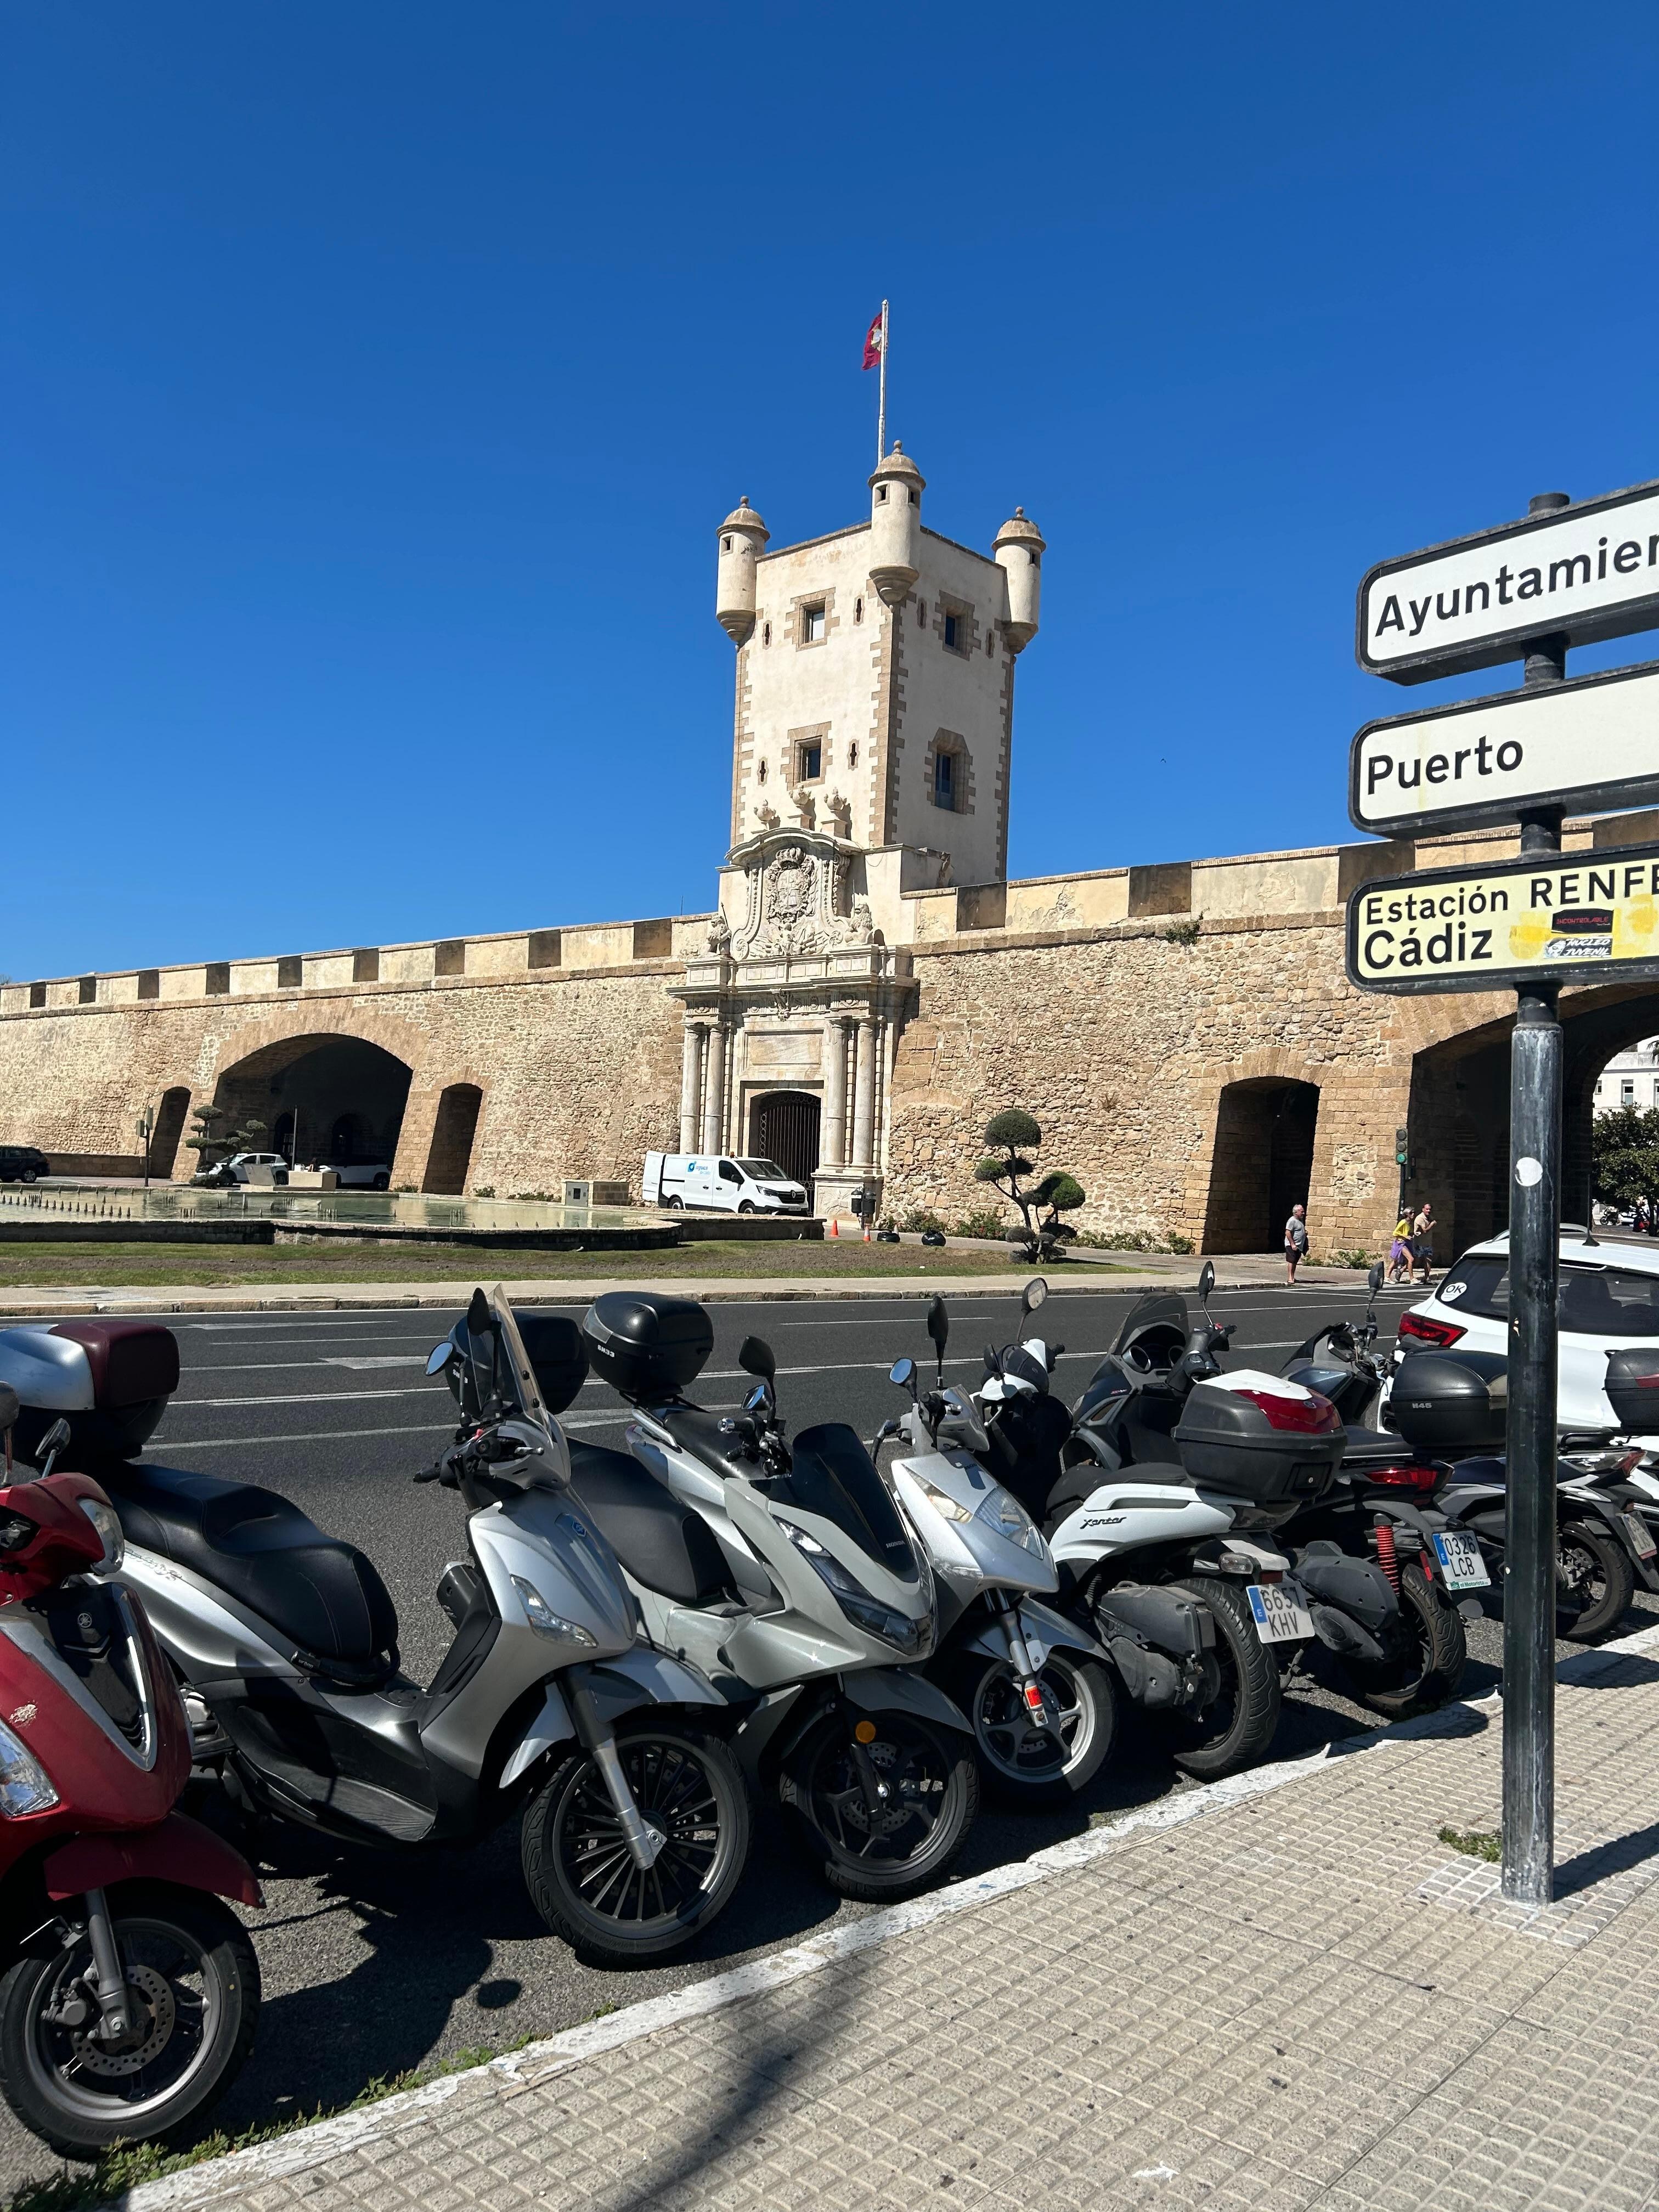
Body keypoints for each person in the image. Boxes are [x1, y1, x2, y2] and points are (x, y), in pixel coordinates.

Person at [1412, 1199, 1436, 1285]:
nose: (1428, 1211)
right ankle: (1402, 1271)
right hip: (1420, 1243)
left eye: (1430, 1209)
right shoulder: (1420, 1218)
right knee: (1415, 1260)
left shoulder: (1430, 1217)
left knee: (1429, 1260)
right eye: (1427, 1209)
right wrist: (1432, 1224)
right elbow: (1425, 1230)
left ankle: (1427, 1278)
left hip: (1427, 1243)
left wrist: (1432, 1222)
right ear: (1423, 1209)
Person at [1283, 1201, 1308, 1285]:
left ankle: (1293, 1277)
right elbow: (1288, 1233)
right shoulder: (1292, 1221)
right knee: (1291, 1261)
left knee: (1295, 1261)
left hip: (1299, 1245)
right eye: (1302, 1212)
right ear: (1296, 1212)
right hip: (1291, 1245)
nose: (1303, 1213)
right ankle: (1290, 1278)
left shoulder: (1300, 1220)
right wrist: (1292, 1244)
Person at [1390, 1212, 1413, 1283]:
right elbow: (1395, 1233)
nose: (1413, 1214)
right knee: (1411, 1259)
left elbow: (1407, 1233)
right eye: (1411, 1213)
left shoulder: (1409, 1223)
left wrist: (1412, 1235)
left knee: (1396, 1261)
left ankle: (1387, 1276)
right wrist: (1406, 1236)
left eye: (1414, 1213)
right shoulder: (1403, 1222)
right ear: (1407, 1214)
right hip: (1400, 1243)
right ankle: (1412, 1278)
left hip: (1406, 1243)